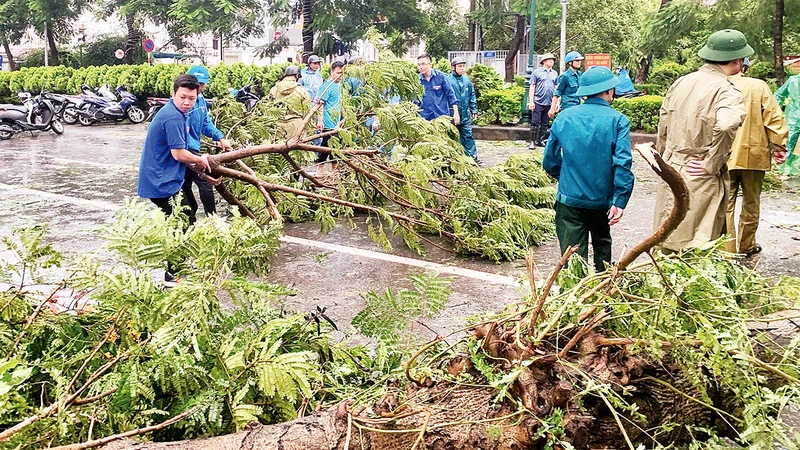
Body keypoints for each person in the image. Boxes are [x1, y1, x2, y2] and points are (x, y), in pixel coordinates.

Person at [653, 29, 751, 253]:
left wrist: (664, 159)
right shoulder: (726, 90)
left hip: (673, 166)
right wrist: (712, 163)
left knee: (667, 236)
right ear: (736, 61)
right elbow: (727, 124)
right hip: (699, 171)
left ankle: (664, 286)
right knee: (696, 244)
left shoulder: (681, 82)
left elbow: (663, 122)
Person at [542, 66, 634, 272]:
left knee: (572, 259)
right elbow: (623, 163)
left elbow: (549, 160)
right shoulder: (618, 120)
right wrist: (620, 199)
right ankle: (603, 294)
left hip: (569, 200)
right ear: (609, 91)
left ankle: (574, 297)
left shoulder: (564, 117)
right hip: (603, 201)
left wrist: (566, 177)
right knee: (602, 247)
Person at [137, 74, 216, 283]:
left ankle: (177, 268)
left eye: (191, 98)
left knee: (188, 212)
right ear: (173, 94)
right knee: (182, 221)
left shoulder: (179, 114)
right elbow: (179, 154)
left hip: (167, 177)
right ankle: (173, 274)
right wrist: (201, 160)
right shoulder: (172, 116)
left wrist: (201, 168)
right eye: (182, 97)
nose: (187, 102)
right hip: (161, 181)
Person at [724, 58, 789, 256]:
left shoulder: (716, 86)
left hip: (723, 155)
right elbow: (774, 118)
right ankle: (747, 245)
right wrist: (779, 146)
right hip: (754, 154)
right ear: (743, 67)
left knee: (725, 205)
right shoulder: (758, 86)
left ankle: (725, 250)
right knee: (751, 203)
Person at [183, 66, 232, 218]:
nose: (200, 87)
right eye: (197, 83)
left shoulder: (201, 101)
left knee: (187, 184)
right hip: (183, 151)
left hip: (193, 149)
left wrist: (220, 137)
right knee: (204, 182)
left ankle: (193, 216)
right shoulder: (184, 103)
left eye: (202, 84)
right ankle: (212, 219)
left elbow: (206, 123)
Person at [446, 57, 479, 162]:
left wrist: (474, 109)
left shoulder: (466, 80)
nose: (462, 68)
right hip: (452, 113)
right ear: (453, 67)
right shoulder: (448, 80)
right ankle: (455, 158)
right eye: (459, 66)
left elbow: (471, 94)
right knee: (454, 137)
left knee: (468, 135)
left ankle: (472, 157)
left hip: (465, 113)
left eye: (463, 66)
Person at [314, 60, 345, 172]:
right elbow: (320, 105)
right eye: (338, 73)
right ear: (332, 72)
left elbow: (340, 103)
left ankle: (332, 171)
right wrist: (320, 120)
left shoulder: (341, 86)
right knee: (326, 145)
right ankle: (320, 169)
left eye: (342, 73)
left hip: (337, 122)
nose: (340, 75)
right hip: (328, 122)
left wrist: (344, 117)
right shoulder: (326, 86)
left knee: (335, 146)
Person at [268, 65, 312, 139]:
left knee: (277, 148)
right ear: (297, 76)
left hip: (278, 125)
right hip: (296, 125)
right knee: (297, 149)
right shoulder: (301, 90)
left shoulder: (274, 90)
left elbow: (268, 109)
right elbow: (308, 110)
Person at [416, 53, 460, 124]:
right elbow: (415, 99)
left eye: (423, 64)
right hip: (425, 119)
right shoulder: (417, 80)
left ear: (430, 64)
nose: (420, 67)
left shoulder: (441, 77)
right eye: (419, 64)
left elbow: (451, 94)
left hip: (441, 116)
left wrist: (456, 113)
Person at [527, 53, 558, 148]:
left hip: (549, 101)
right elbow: (532, 87)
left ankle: (541, 140)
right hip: (538, 100)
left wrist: (557, 103)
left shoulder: (555, 73)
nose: (551, 62)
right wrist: (531, 101)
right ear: (544, 61)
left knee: (545, 123)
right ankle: (532, 141)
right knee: (535, 122)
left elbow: (557, 88)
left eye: (552, 60)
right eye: (549, 60)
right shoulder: (536, 72)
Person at [774, 73, 800, 176]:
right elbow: (778, 95)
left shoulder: (793, 80)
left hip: (792, 117)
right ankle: (785, 169)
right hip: (792, 117)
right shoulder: (793, 80)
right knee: (789, 143)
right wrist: (776, 112)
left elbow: (778, 95)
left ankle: (793, 170)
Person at [549, 51, 584, 118]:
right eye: (577, 60)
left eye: (580, 60)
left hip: (578, 106)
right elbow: (557, 93)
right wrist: (552, 108)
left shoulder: (579, 74)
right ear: (570, 62)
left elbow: (581, 92)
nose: (579, 62)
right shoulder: (565, 76)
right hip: (567, 107)